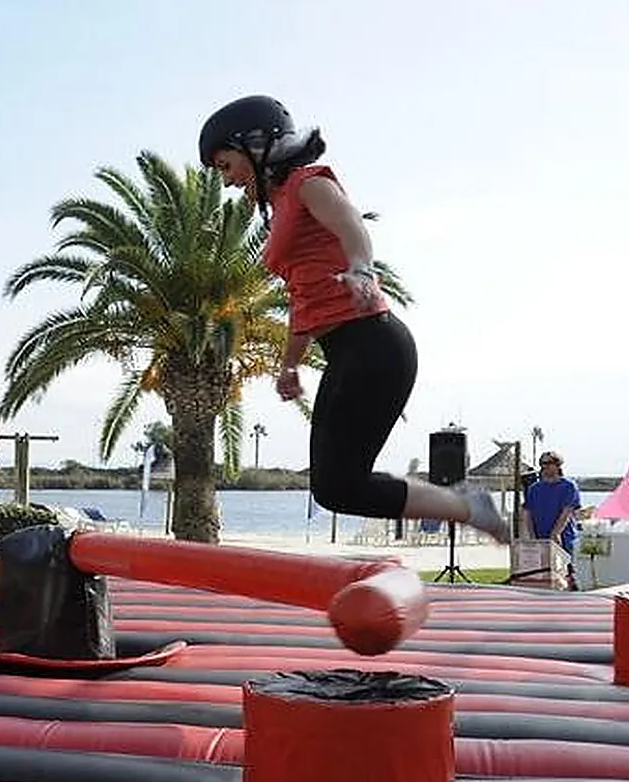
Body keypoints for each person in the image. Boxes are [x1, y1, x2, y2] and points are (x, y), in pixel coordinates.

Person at [198, 95, 510, 544]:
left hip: (375, 347)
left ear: (255, 145)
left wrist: (361, 269)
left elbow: (351, 226)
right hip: (346, 352)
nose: (226, 181)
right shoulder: (283, 204)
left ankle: (464, 506)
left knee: (343, 483)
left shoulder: (309, 182)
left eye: (226, 166)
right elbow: (304, 297)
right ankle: (465, 505)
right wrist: (290, 365)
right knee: (332, 488)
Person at [523, 450, 582, 589]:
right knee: (544, 577)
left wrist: (555, 534)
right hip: (540, 538)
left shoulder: (568, 486)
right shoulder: (534, 488)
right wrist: (532, 537)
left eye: (548, 463)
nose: (544, 466)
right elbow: (527, 513)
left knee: (566, 575)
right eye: (542, 463)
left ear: (557, 465)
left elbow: (566, 512)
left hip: (563, 538)